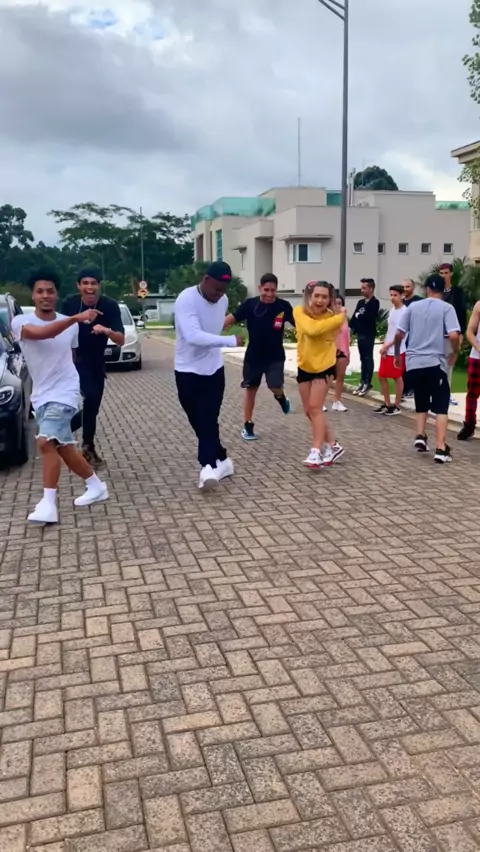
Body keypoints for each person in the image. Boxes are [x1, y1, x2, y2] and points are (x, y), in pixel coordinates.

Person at [11, 268, 109, 524]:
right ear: (33, 296)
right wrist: (76, 318)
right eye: (40, 291)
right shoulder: (20, 322)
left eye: (50, 291)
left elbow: (71, 355)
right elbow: (43, 334)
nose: (45, 295)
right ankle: (96, 486)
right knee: (63, 447)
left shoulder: (70, 324)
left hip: (65, 392)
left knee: (46, 442)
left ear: (56, 294)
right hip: (41, 394)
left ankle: (48, 505)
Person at [174, 261, 244, 490]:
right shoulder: (186, 299)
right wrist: (230, 341)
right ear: (205, 280)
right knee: (197, 420)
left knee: (208, 418)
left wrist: (222, 339)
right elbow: (193, 336)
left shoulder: (222, 300)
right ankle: (222, 459)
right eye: (216, 289)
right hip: (186, 370)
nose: (219, 295)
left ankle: (207, 467)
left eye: (223, 291)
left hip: (213, 370)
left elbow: (213, 328)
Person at [394, 273, 460, 464]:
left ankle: (420, 435)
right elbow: (454, 335)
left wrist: (397, 355)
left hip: (414, 364)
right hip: (435, 362)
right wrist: (454, 352)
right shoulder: (447, 308)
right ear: (442, 289)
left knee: (421, 399)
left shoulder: (413, 307)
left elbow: (399, 334)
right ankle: (441, 447)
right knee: (441, 405)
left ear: (428, 289)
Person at [62, 268, 125, 467]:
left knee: (93, 406)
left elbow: (121, 339)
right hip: (74, 360)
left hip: (97, 362)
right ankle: (63, 434)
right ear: (78, 286)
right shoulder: (70, 303)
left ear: (99, 285)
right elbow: (60, 329)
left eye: (93, 283)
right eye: (85, 283)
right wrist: (78, 318)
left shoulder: (110, 306)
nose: (89, 287)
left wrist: (106, 330)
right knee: (89, 396)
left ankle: (84, 445)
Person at [224, 273, 294, 441]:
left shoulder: (284, 306)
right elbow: (231, 318)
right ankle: (248, 426)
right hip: (254, 356)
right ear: (260, 288)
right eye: (266, 290)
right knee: (251, 389)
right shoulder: (250, 305)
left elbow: (300, 324)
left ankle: (282, 398)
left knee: (274, 386)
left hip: (275, 355)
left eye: (273, 290)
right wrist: (211, 328)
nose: (269, 294)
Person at [293, 282, 345, 468]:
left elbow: (318, 329)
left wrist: (338, 318)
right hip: (305, 366)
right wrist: (340, 317)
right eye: (317, 296)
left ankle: (316, 451)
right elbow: (311, 329)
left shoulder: (332, 317)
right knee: (309, 410)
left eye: (325, 297)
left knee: (315, 407)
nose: (320, 300)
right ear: (310, 296)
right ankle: (333, 445)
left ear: (330, 299)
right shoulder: (299, 312)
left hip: (324, 367)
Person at [374, 285, 407, 416]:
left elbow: (400, 334)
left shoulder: (404, 312)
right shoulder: (393, 310)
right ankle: (387, 403)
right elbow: (390, 330)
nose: (392, 298)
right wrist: (385, 344)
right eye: (391, 295)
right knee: (381, 375)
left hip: (397, 349)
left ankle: (397, 405)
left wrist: (388, 345)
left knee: (397, 377)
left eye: (395, 295)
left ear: (402, 296)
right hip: (388, 348)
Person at [439, 262, 467, 407]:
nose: (444, 276)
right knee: (437, 365)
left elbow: (462, 314)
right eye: (441, 273)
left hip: (452, 334)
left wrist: (460, 335)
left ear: (451, 274)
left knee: (449, 365)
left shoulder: (457, 292)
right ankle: (436, 393)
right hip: (437, 334)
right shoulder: (436, 291)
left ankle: (447, 393)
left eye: (446, 273)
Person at [349, 278, 380, 396]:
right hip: (360, 333)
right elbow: (354, 317)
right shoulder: (360, 303)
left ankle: (368, 382)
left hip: (368, 334)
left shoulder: (374, 303)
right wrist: (351, 330)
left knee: (368, 357)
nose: (362, 290)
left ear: (371, 288)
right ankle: (362, 381)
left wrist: (359, 315)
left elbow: (368, 317)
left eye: (364, 288)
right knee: (362, 358)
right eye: (361, 288)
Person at [457, 299, 480, 440]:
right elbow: (470, 332)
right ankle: (469, 425)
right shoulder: (479, 305)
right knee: (472, 393)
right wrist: (478, 347)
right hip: (477, 357)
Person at [402, 279, 422, 399]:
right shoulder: (401, 302)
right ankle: (404, 389)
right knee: (403, 364)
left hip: (415, 337)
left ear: (413, 288)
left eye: (408, 287)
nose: (405, 289)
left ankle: (412, 388)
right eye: (403, 287)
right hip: (403, 337)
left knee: (413, 363)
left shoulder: (419, 301)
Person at [332, 293, 350, 412]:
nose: (338, 306)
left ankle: (337, 401)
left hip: (343, 351)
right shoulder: (329, 318)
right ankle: (321, 401)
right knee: (327, 378)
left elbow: (347, 336)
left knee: (340, 377)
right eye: (336, 303)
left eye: (340, 303)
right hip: (331, 351)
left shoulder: (344, 319)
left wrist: (348, 352)